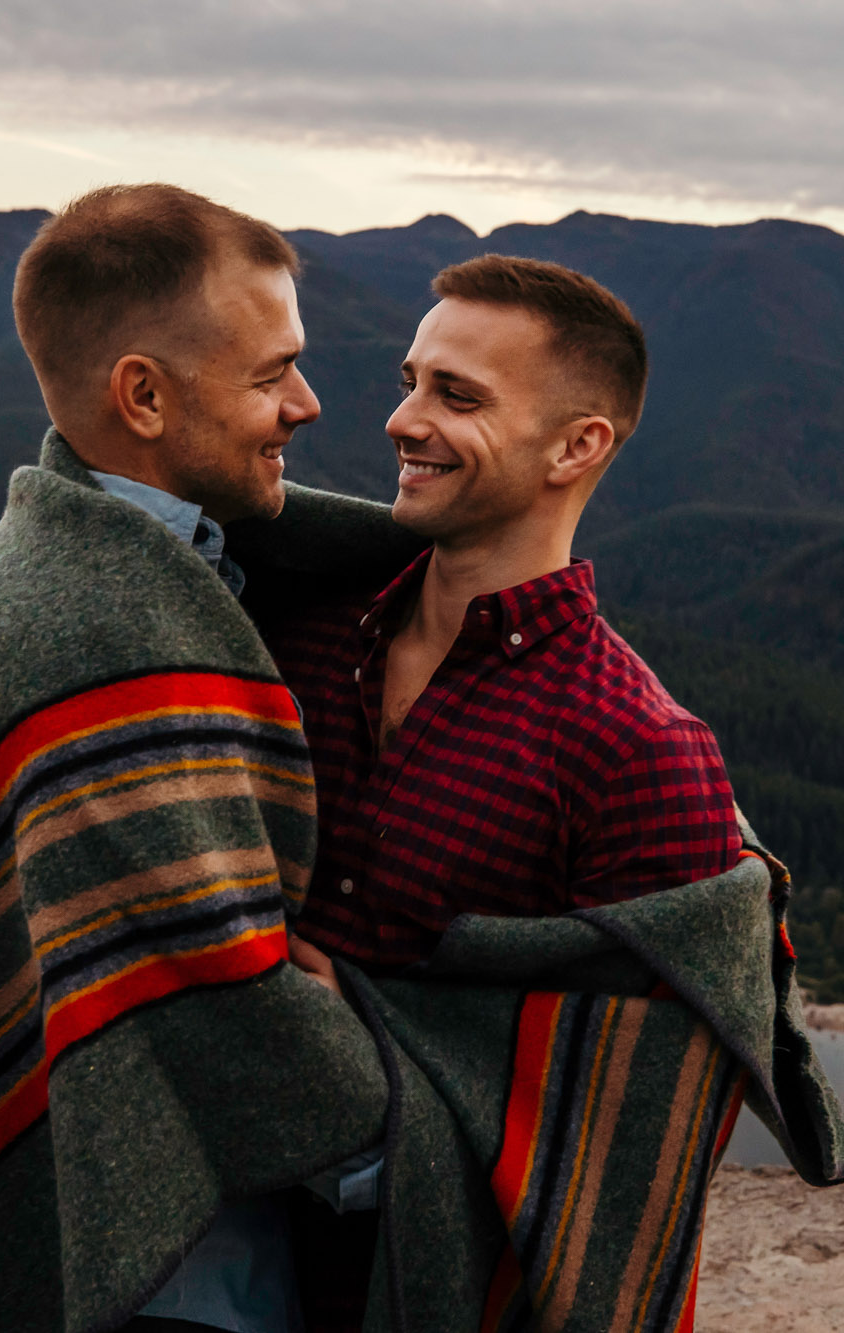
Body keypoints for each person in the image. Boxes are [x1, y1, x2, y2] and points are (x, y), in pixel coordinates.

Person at [0, 183, 411, 1333]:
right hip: (166, 1281)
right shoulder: (87, 627)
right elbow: (217, 1000)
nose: (304, 404)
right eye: (268, 375)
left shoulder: (149, 564)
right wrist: (441, 1104)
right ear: (141, 396)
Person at [261, 254, 746, 1323]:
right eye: (411, 379)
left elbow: (635, 1125)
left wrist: (363, 1036)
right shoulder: (297, 630)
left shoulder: (637, 750)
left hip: (441, 1295)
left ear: (577, 446)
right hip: (219, 1259)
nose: (400, 419)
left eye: (457, 395)